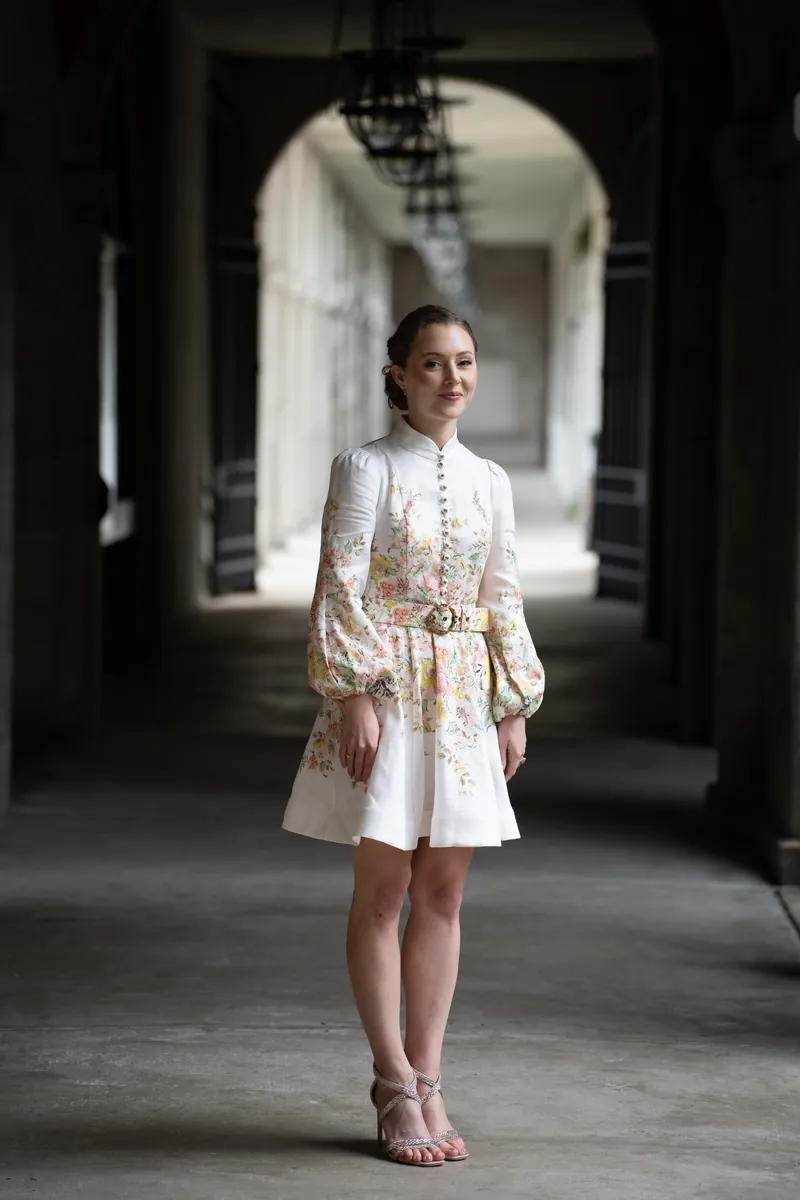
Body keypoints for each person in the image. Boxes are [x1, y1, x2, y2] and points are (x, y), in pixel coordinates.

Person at [282, 304, 544, 1166]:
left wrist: (514, 701)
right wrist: (354, 694)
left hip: (463, 695)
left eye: (463, 362)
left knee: (443, 895)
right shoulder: (364, 467)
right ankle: (391, 1080)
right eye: (433, 363)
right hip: (388, 689)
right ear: (399, 375)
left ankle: (429, 1078)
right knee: (384, 890)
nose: (452, 378)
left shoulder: (491, 480)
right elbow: (339, 583)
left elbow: (502, 593)